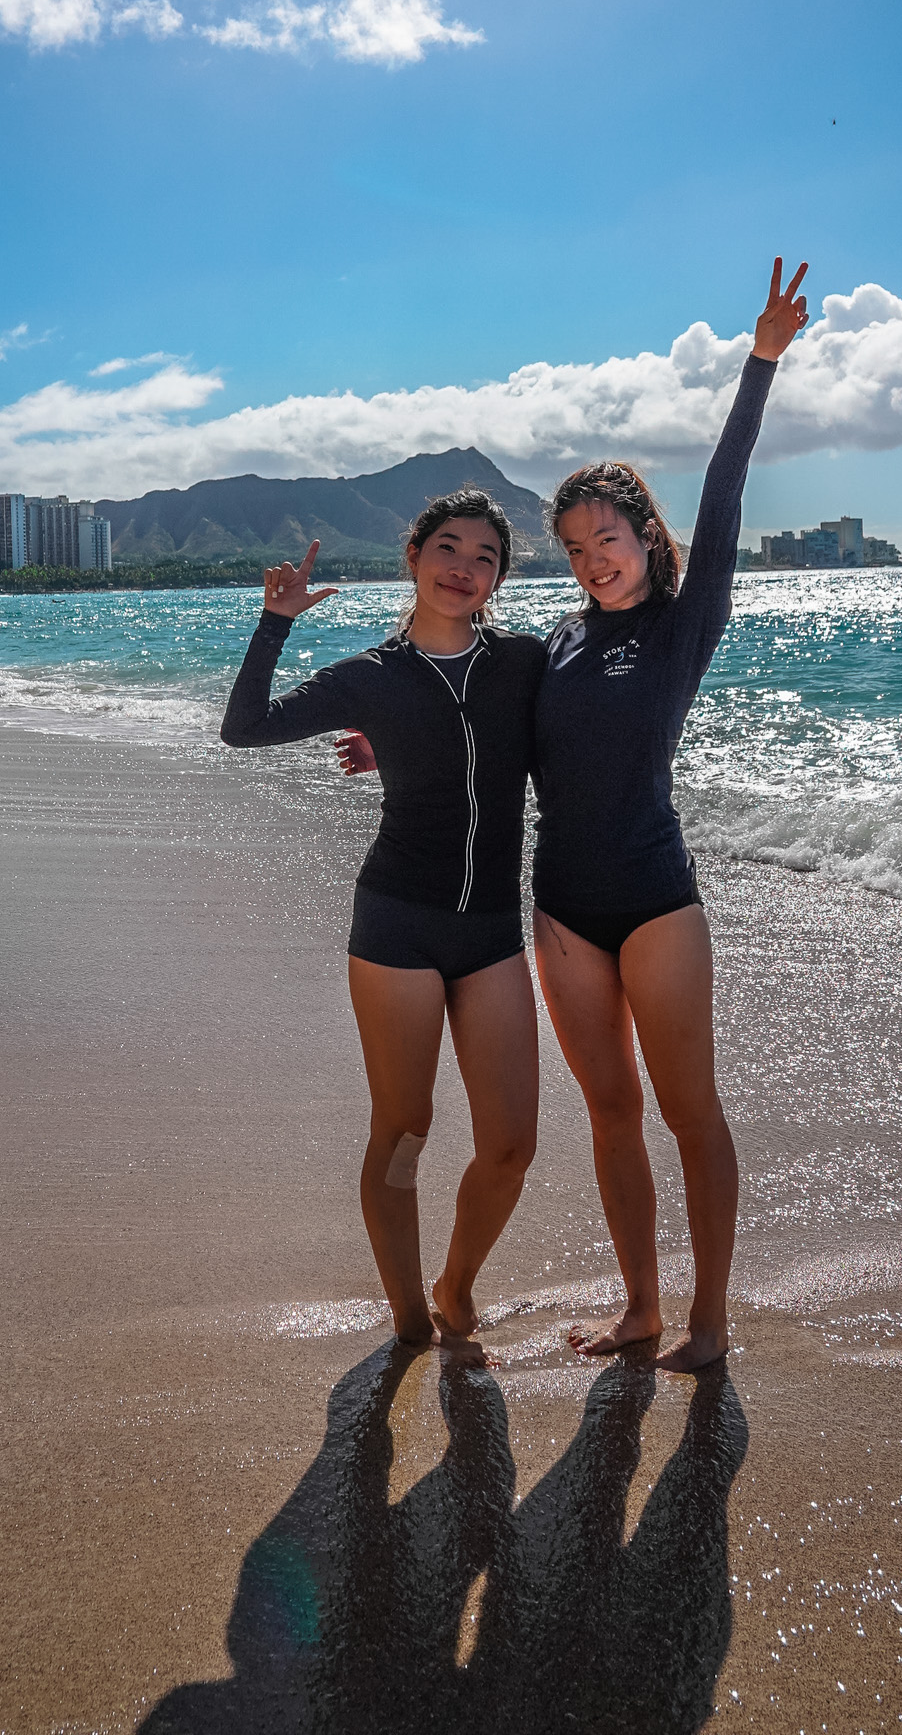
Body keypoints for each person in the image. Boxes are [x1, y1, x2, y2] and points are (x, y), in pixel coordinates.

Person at [532, 257, 809, 1372]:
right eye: (576, 548)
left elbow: (726, 489)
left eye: (610, 537)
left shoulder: (684, 624)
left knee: (689, 1107)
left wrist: (760, 361)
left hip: (654, 895)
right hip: (559, 907)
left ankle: (708, 1320)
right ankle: (639, 1308)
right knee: (608, 1109)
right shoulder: (549, 644)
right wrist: (380, 743)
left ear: (645, 534)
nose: (595, 559)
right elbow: (480, 734)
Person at [219, 489, 546, 1354]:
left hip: (491, 931)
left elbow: (577, 740)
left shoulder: (522, 664)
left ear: (501, 577)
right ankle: (407, 1312)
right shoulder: (371, 675)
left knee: (511, 1145)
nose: (463, 568)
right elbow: (245, 728)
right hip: (397, 927)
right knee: (404, 1133)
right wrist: (275, 622)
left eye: (485, 556)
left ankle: (456, 1284)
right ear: (413, 556)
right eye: (448, 547)